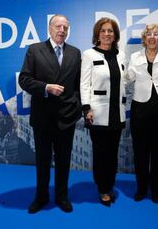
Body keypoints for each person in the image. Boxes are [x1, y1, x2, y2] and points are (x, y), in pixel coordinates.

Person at [18, 14, 81, 214]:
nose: (62, 30)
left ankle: (62, 197)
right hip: (43, 117)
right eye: (58, 26)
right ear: (50, 28)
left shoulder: (75, 52)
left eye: (65, 27)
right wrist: (46, 87)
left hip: (67, 116)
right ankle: (41, 196)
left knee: (64, 160)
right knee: (43, 161)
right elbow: (24, 79)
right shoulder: (35, 50)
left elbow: (79, 85)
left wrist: (77, 107)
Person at [80, 17, 126, 207]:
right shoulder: (89, 54)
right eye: (103, 31)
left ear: (115, 35)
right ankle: (102, 188)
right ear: (97, 34)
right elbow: (84, 84)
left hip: (117, 113)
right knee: (101, 154)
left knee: (113, 153)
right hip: (97, 113)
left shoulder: (121, 55)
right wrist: (86, 108)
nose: (107, 34)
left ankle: (110, 185)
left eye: (110, 31)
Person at [126, 24, 158, 203]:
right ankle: (142, 188)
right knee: (140, 152)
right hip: (140, 109)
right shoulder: (135, 57)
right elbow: (128, 77)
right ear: (144, 38)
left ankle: (156, 189)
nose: (152, 37)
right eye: (148, 34)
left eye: (156, 34)